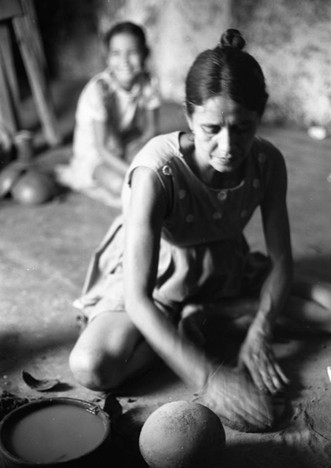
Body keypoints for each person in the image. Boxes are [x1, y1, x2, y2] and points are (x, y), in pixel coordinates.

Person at [69, 29, 331, 432]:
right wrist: (208, 377)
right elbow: (138, 298)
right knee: (92, 367)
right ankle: (188, 326)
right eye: (211, 128)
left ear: (259, 117)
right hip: (158, 277)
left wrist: (260, 331)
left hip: (225, 265)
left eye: (243, 128)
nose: (227, 145)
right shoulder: (156, 170)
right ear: (189, 117)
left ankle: (218, 315)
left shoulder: (268, 161)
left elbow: (282, 262)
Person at [57, 21, 160, 203]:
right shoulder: (99, 90)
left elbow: (151, 131)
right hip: (96, 154)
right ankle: (76, 176)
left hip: (124, 141)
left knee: (157, 164)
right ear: (107, 57)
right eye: (116, 53)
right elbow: (102, 148)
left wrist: (141, 154)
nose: (124, 61)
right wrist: (132, 171)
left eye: (133, 52)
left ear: (145, 53)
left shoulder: (148, 83)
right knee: (120, 184)